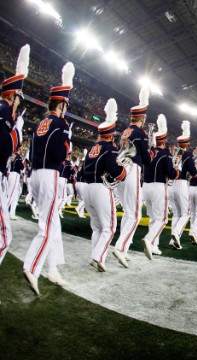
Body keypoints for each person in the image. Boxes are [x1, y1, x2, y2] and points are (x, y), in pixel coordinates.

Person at [23, 62, 74, 296]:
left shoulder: (39, 123)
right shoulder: (61, 123)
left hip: (35, 173)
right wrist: (67, 150)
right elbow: (60, 154)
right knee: (46, 226)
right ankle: (32, 266)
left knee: (53, 223)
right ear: (61, 104)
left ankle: (52, 268)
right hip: (51, 174)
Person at [82, 98, 126, 271]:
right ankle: (98, 257)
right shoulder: (109, 147)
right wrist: (124, 170)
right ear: (111, 133)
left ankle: (96, 255)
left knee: (97, 228)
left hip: (87, 188)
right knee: (109, 227)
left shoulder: (93, 148)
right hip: (101, 188)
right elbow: (116, 172)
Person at [113, 86, 152, 259]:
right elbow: (145, 157)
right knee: (136, 214)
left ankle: (124, 248)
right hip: (132, 169)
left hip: (120, 169)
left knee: (128, 211)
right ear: (142, 118)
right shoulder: (140, 133)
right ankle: (120, 247)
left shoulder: (125, 131)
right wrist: (150, 153)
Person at [0, 44, 28, 268]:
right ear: (12, 95)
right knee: (4, 236)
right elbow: (5, 146)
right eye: (18, 96)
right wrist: (16, 131)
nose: (19, 102)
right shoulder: (3, 110)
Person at [141, 115, 179, 260]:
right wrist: (176, 171)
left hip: (146, 186)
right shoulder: (166, 154)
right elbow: (170, 173)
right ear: (164, 141)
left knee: (152, 218)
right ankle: (149, 239)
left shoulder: (149, 152)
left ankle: (154, 246)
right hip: (158, 187)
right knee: (162, 219)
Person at [169, 121, 197, 249]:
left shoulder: (173, 154)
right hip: (182, 184)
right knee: (186, 214)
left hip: (171, 185)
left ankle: (173, 240)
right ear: (187, 144)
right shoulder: (188, 155)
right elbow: (194, 173)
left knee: (176, 214)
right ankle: (176, 233)